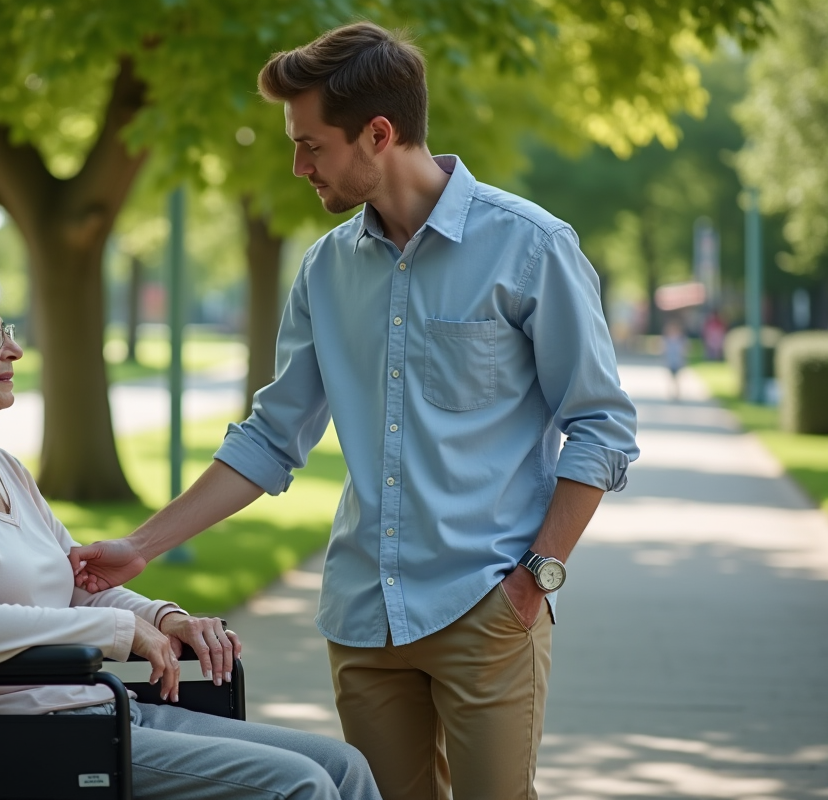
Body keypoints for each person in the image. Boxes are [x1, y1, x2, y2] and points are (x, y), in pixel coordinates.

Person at [71, 21, 639, 800]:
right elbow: (272, 438)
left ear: (379, 133)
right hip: (363, 620)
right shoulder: (326, 270)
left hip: (488, 604)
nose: (298, 167)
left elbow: (603, 425)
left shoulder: (530, 247)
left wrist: (536, 578)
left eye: (312, 146)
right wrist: (140, 546)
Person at [0, 256, 381, 800]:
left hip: (98, 711)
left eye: (5, 331)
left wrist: (162, 618)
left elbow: (77, 586)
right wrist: (118, 634)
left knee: (343, 765)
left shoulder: (2, 467)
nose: (14, 349)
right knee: (300, 786)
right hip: (18, 737)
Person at [663, 319, 688, 400]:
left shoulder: (680, 340)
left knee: (677, 379)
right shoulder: (668, 340)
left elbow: (683, 350)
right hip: (671, 362)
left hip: (677, 362)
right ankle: (671, 393)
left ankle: (677, 393)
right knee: (671, 378)